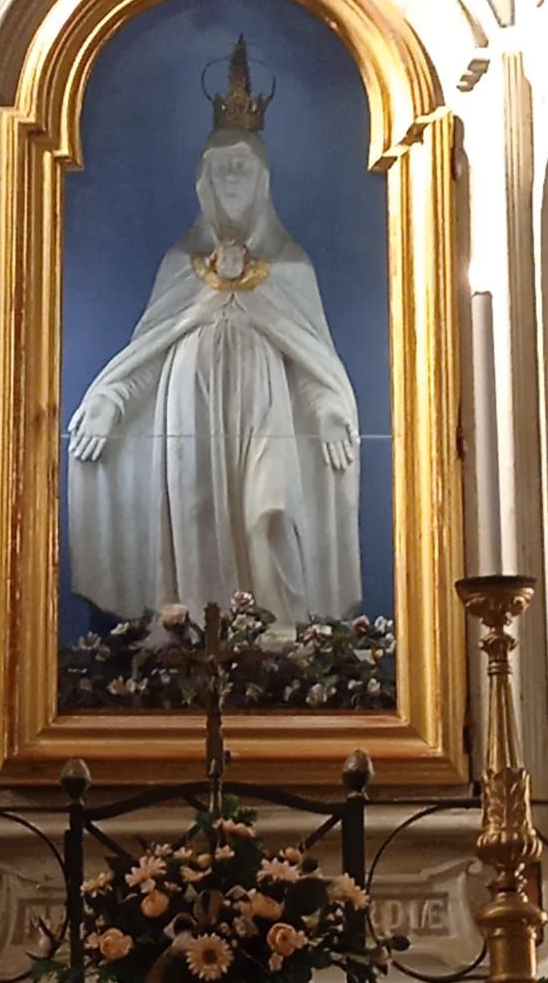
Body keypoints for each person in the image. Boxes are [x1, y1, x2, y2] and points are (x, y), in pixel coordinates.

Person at [67, 38, 362, 625]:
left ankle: (277, 636)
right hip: (190, 406)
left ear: (262, 180)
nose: (231, 177)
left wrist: (330, 408)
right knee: (194, 513)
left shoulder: (293, 268)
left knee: (272, 512)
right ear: (202, 180)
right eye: (220, 167)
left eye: (242, 167)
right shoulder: (180, 265)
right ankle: (197, 639)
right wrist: (106, 402)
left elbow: (312, 360)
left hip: (264, 407)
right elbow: (145, 353)